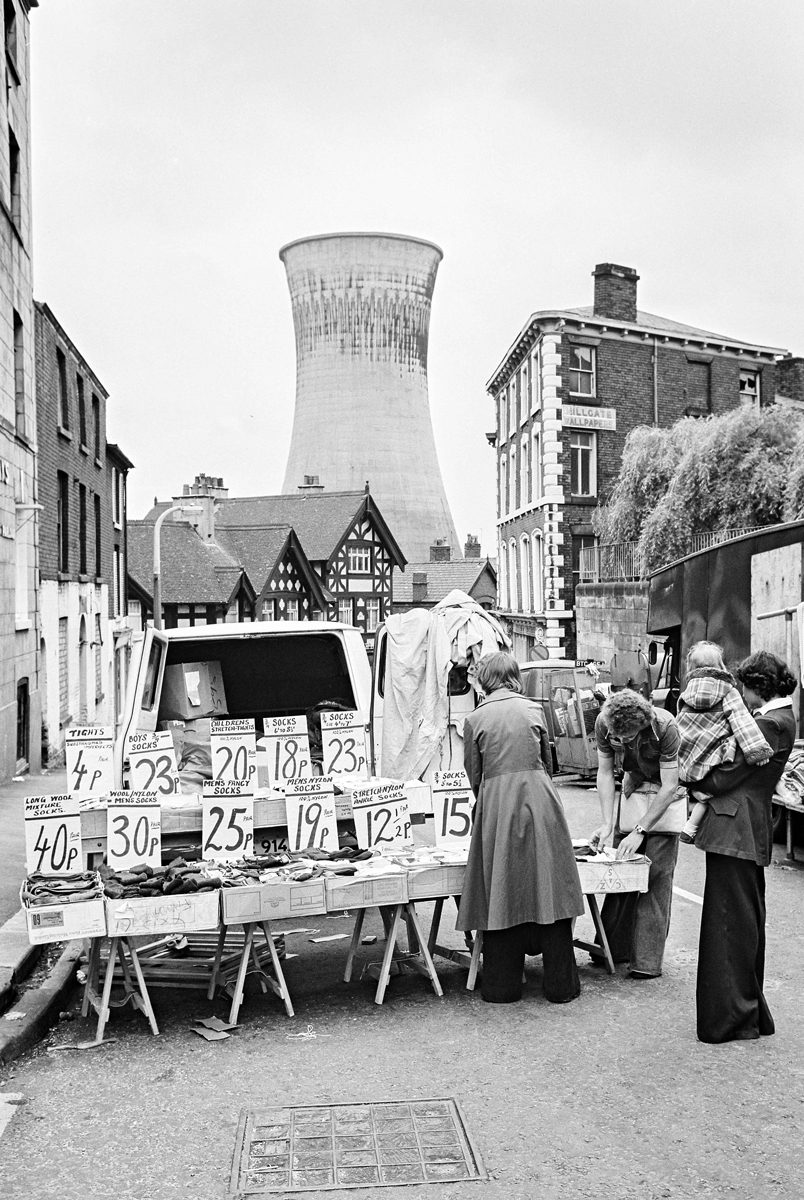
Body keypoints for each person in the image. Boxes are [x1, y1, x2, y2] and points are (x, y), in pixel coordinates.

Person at [456, 651, 584, 1004]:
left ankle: (502, 985)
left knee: (501, 884)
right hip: (539, 797)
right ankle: (560, 984)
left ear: (485, 680)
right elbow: (547, 762)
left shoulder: (476, 718)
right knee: (548, 883)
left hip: (497, 799)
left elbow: (474, 774)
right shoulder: (533, 709)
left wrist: (492, 796)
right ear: (513, 676)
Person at [694, 649, 796, 1044]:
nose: (741, 694)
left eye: (745, 687)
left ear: (759, 686)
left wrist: (698, 782)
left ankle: (733, 1018)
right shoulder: (780, 718)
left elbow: (728, 774)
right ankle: (749, 1012)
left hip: (734, 827)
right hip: (746, 826)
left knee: (727, 926)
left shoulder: (770, 724)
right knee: (742, 922)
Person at [592, 689, 681, 978]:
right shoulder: (604, 723)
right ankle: (611, 949)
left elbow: (669, 785)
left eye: (627, 737)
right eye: (616, 737)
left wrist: (640, 831)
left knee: (656, 877)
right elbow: (605, 773)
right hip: (634, 793)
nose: (620, 742)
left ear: (643, 723)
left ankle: (646, 961)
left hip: (665, 801)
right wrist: (607, 824)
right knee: (620, 873)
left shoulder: (666, 727)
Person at [676, 641, 772, 844]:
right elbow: (742, 722)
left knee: (700, 791)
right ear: (720, 666)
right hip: (714, 755)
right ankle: (692, 825)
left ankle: (690, 820)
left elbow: (681, 724)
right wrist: (757, 751)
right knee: (710, 792)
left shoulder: (686, 693)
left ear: (691, 668)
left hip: (690, 756)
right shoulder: (729, 691)